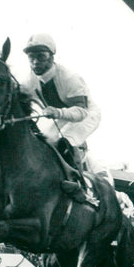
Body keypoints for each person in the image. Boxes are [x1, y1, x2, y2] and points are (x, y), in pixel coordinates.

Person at [22, 33, 101, 208]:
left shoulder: (69, 77)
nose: (35, 62)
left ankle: (80, 186)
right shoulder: (29, 79)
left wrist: (57, 112)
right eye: (31, 57)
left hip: (86, 114)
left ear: (51, 56)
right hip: (60, 115)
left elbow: (81, 111)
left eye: (41, 57)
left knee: (65, 142)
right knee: (45, 143)